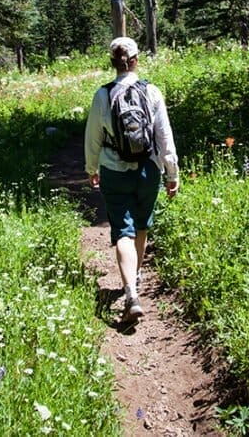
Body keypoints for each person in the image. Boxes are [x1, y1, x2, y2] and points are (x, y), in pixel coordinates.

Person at [85, 36, 179, 322]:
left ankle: (130, 295)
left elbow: (93, 138)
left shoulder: (103, 96)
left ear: (112, 63)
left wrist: (92, 169)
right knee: (141, 225)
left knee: (121, 231)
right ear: (137, 60)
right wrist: (172, 173)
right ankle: (135, 278)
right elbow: (164, 137)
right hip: (148, 169)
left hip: (114, 171)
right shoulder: (151, 91)